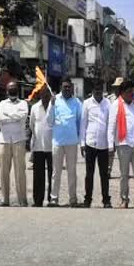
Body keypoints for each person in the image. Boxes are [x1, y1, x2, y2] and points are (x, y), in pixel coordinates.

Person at [108, 79, 134, 208]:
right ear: (122, 93)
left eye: (133, 91)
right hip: (123, 144)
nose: (132, 94)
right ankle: (124, 199)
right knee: (124, 174)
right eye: (129, 92)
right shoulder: (116, 104)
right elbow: (111, 125)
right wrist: (110, 145)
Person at [47, 78, 82, 207]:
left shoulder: (77, 102)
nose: (67, 89)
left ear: (72, 87)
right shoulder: (54, 100)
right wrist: (51, 106)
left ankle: (73, 198)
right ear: (61, 87)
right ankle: (54, 198)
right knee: (56, 172)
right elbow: (49, 121)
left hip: (72, 142)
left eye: (69, 87)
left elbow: (80, 122)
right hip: (57, 142)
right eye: (65, 86)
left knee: (72, 171)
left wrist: (78, 137)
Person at [0, 80, 29, 207]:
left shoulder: (24, 103)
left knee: (20, 170)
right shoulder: (2, 104)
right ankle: (5, 199)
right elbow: (0, 119)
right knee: (4, 171)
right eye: (10, 88)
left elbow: (23, 117)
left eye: (14, 88)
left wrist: (8, 115)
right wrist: (14, 116)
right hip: (4, 141)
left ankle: (22, 199)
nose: (12, 90)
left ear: (17, 89)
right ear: (6, 90)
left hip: (19, 140)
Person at [80, 83, 111, 208]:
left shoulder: (108, 103)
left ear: (102, 91)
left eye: (100, 90)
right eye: (95, 89)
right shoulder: (86, 103)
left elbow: (110, 124)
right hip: (90, 143)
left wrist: (110, 144)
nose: (98, 92)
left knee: (104, 174)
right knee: (89, 174)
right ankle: (87, 200)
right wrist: (82, 143)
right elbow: (83, 124)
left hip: (104, 144)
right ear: (92, 90)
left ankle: (106, 200)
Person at [30, 87, 54, 207]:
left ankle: (51, 199)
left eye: (47, 94)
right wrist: (32, 148)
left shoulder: (54, 107)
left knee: (52, 174)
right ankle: (37, 200)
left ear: (50, 95)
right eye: (43, 94)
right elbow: (32, 126)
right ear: (40, 95)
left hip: (52, 146)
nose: (45, 96)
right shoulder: (34, 107)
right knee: (38, 175)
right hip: (38, 146)